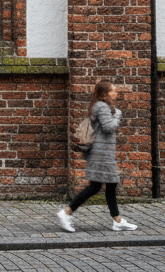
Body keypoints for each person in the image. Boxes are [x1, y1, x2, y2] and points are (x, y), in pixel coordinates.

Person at [57, 80, 137, 233]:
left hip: (102, 154)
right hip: (101, 155)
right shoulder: (102, 107)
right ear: (104, 94)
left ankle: (117, 220)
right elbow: (109, 127)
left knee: (109, 185)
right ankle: (66, 212)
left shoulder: (101, 107)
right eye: (113, 91)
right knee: (96, 186)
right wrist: (118, 114)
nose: (116, 93)